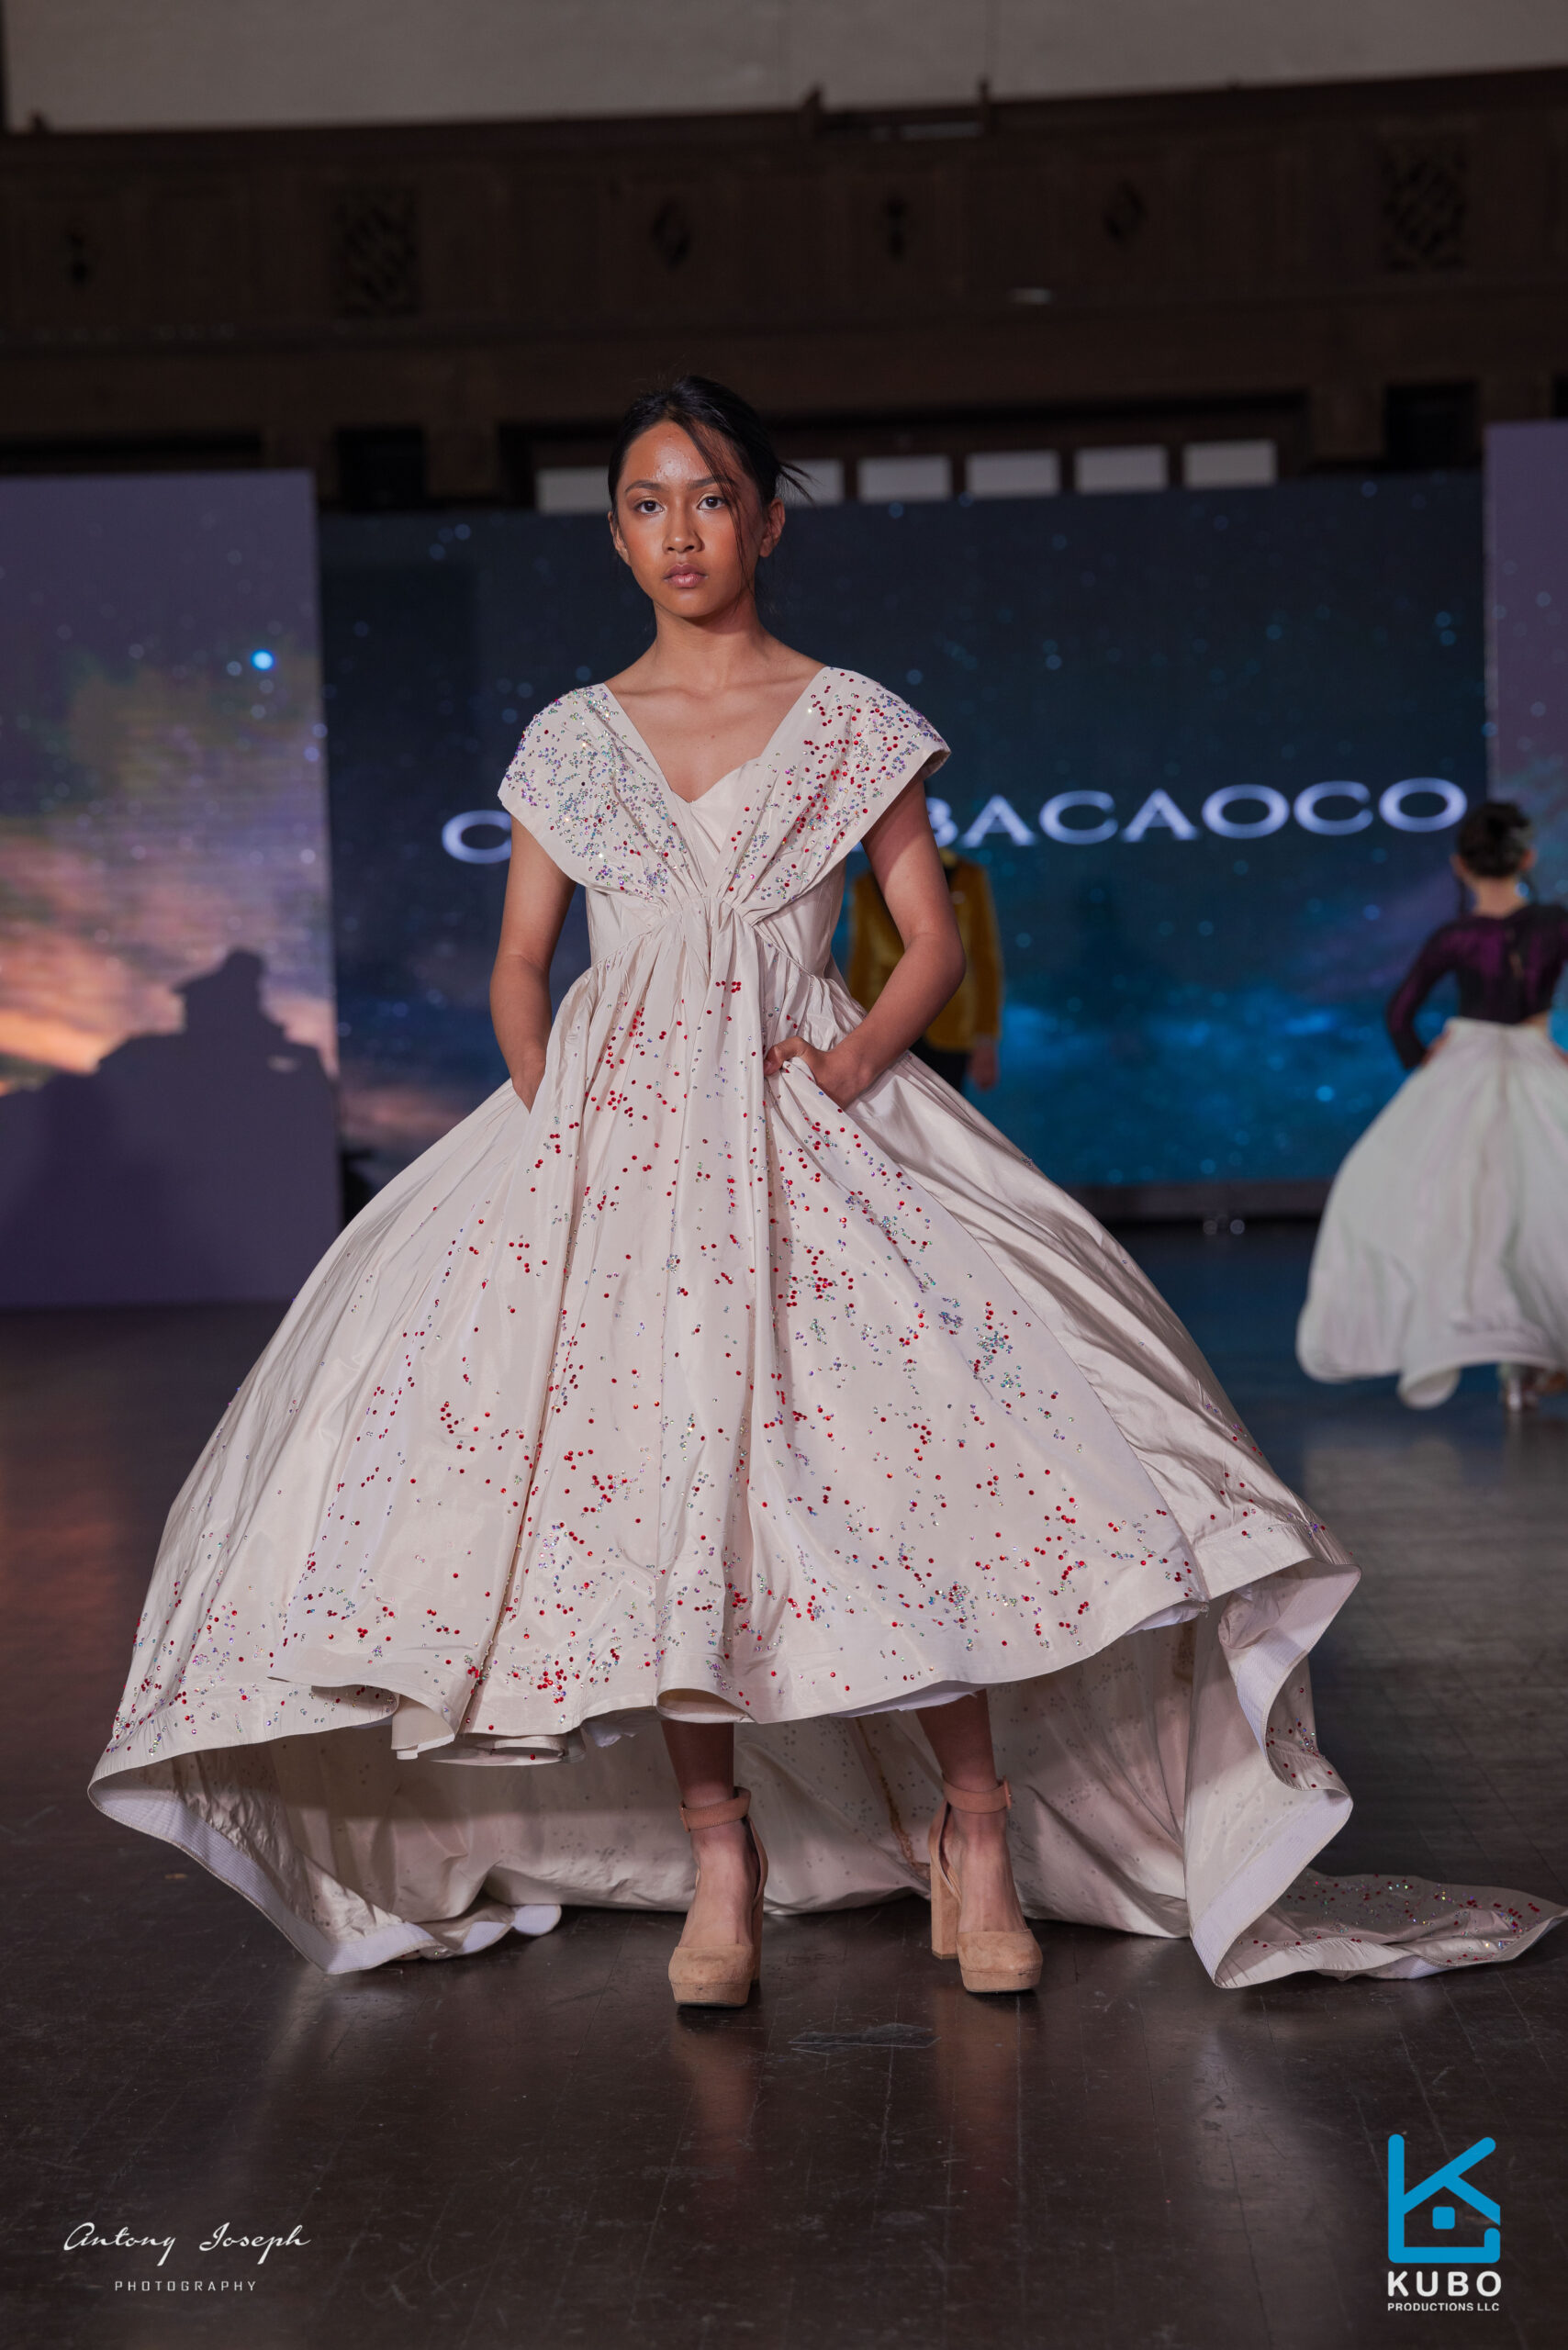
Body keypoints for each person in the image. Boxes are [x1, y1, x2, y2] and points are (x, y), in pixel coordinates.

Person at [92, 382, 1561, 2000]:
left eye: (710, 498)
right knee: (663, 1491)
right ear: (614, 536)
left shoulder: (849, 716)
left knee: (909, 1465)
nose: (679, 532)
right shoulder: (570, 742)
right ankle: (718, 1854)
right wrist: (554, 1109)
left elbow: (927, 940)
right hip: (614, 1155)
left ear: (767, 521)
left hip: (808, 1126)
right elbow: (519, 962)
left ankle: (977, 1828)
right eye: (646, 503)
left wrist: (850, 1064)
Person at [1297, 800, 1568, 1411]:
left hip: (1464, 1071)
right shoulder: (1556, 923)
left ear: (1459, 866)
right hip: (1536, 1065)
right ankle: (1532, 1357)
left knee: (1462, 1210)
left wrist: (1422, 1059)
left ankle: (1517, 1362)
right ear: (1527, 858)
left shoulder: (1456, 936)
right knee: (1543, 1209)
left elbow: (1399, 1014)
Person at [847, 850, 1002, 1093]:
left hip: (951, 1023)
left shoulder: (967, 877)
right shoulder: (865, 884)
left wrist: (985, 1037)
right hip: (885, 1024)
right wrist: (853, 1031)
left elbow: (985, 961)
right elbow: (862, 962)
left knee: (945, 1113)